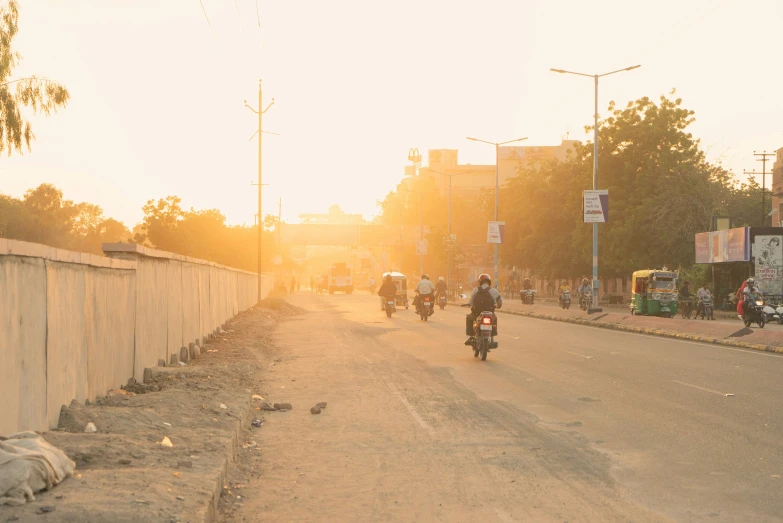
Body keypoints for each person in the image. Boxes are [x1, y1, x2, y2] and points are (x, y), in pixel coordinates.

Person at [464, 273, 503, 347]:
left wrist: (469, 304)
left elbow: (471, 302)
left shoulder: (476, 290)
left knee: (468, 318)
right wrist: (498, 306)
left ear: (480, 282)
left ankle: (470, 336)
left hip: (477, 314)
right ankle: (492, 338)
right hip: (490, 314)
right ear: (489, 281)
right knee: (494, 319)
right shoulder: (493, 291)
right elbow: (499, 301)